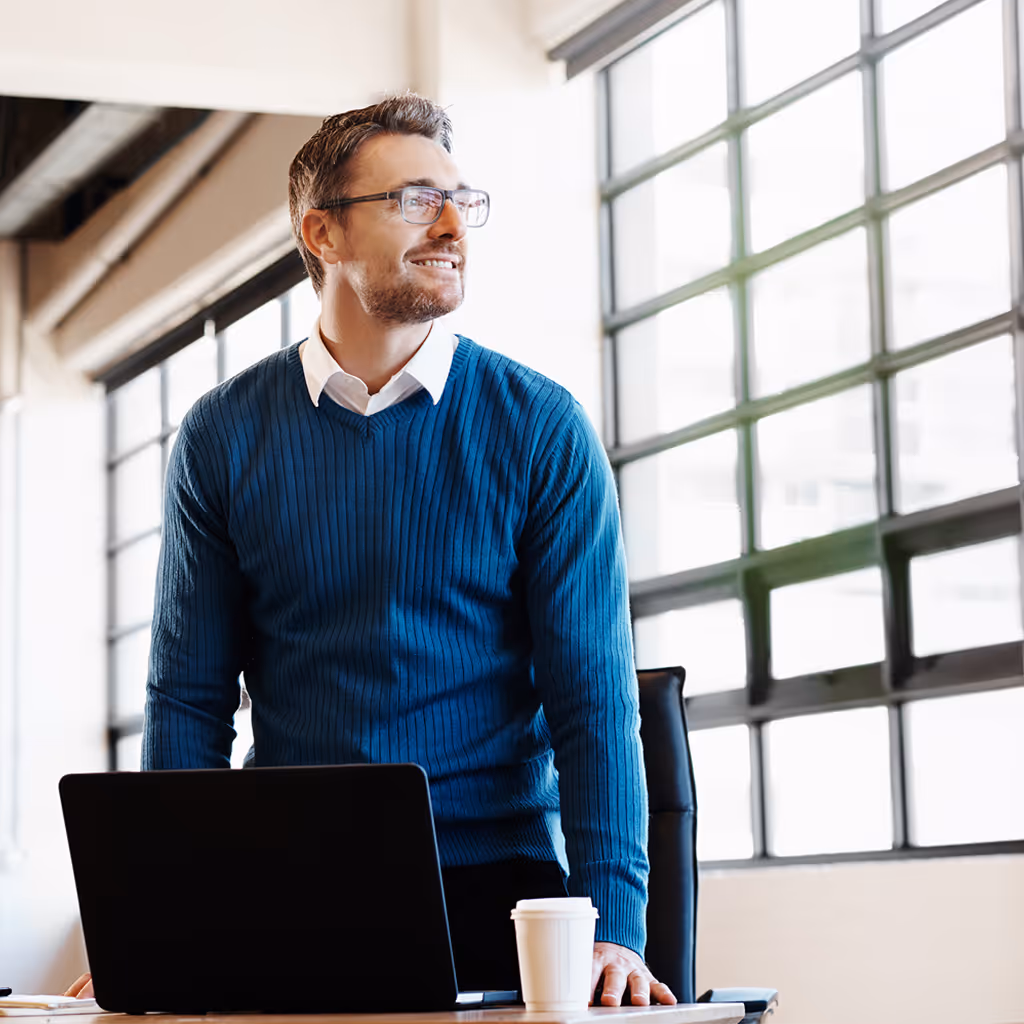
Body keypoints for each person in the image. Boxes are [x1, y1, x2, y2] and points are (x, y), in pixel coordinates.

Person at [67, 93, 674, 1008]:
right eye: (413, 200)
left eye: (460, 202)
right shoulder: (222, 436)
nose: (450, 227)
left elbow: (593, 704)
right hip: (288, 888)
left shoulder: (539, 429)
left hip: (497, 893)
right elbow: (187, 701)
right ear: (323, 233)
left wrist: (616, 931)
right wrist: (165, 909)